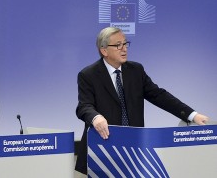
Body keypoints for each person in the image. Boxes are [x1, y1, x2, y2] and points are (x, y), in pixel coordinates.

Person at [75, 27, 209, 175]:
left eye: (125, 44)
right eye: (118, 45)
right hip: (102, 149)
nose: (124, 49)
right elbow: (83, 106)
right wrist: (95, 117)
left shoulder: (136, 70)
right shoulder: (88, 75)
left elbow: (159, 95)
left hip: (133, 149)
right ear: (104, 51)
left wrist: (191, 115)